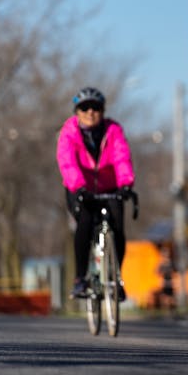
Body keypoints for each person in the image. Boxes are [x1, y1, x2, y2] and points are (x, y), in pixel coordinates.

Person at [56, 87, 136, 300]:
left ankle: (116, 278)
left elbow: (121, 157)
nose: (90, 112)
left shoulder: (113, 130)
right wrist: (78, 187)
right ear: (76, 112)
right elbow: (67, 162)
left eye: (96, 108)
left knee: (118, 227)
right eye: (84, 108)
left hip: (110, 188)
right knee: (84, 222)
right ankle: (80, 279)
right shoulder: (69, 132)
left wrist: (126, 183)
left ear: (103, 110)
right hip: (80, 188)